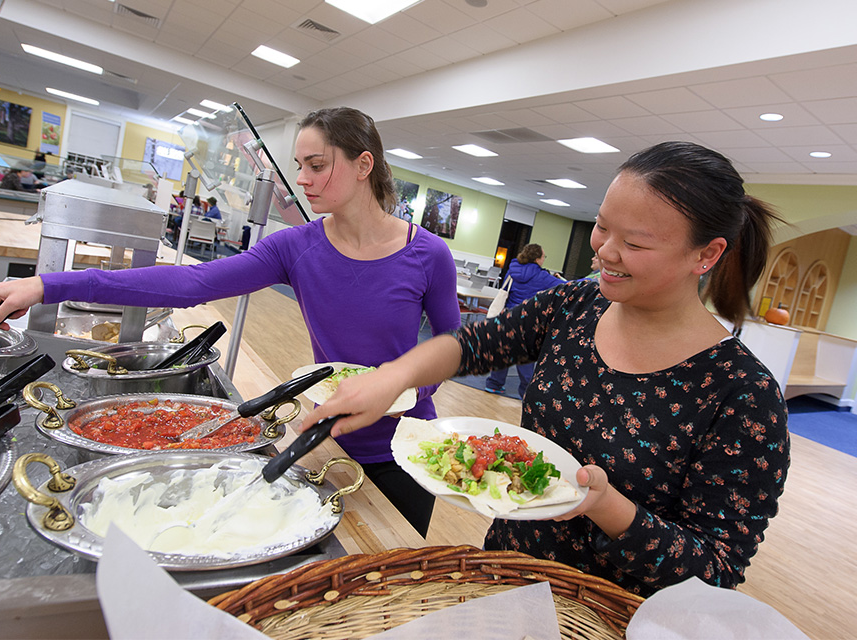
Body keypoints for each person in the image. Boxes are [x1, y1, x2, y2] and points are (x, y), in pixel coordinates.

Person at [301, 141, 790, 596]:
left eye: (635, 244)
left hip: (606, 612)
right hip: (505, 575)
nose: (605, 252)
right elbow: (472, 345)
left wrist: (606, 506)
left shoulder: (743, 394)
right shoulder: (578, 304)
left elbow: (717, 568)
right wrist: (390, 378)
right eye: (602, 226)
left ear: (706, 254)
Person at [0, 106, 461, 536]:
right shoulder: (296, 247)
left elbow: (451, 348)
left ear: (363, 165)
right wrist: (49, 285)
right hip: (326, 439)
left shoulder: (428, 255)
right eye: (300, 167)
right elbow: (192, 284)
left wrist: (408, 393)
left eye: (317, 165)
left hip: (409, 451)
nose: (304, 180)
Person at [484, 243, 564, 398]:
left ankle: (494, 384)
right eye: (543, 257)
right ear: (537, 258)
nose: (543, 259)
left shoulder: (513, 270)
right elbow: (565, 287)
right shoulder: (542, 276)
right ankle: (525, 391)